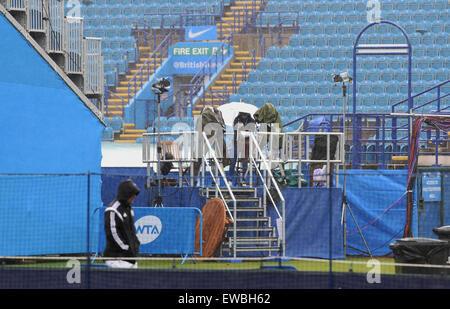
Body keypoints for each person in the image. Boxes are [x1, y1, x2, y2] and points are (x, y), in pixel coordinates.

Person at [103, 179, 141, 269]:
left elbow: (132, 231)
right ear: (126, 194)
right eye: (132, 195)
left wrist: (135, 245)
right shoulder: (112, 210)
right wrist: (126, 248)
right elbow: (113, 233)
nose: (134, 197)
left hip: (130, 258)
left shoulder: (129, 208)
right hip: (116, 259)